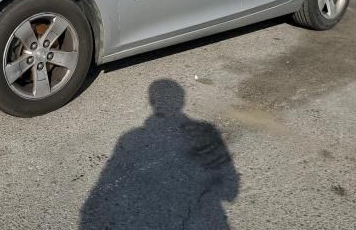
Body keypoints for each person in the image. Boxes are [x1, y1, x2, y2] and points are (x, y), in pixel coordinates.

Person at [81, 79, 239, 229]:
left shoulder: (131, 138)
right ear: (182, 102)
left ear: (151, 102)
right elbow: (230, 190)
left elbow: (99, 194)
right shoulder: (205, 131)